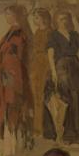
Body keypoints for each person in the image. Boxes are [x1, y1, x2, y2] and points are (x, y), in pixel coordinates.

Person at [0, 4, 33, 156]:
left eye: (9, 14)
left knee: (13, 108)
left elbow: (18, 58)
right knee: (8, 108)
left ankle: (15, 149)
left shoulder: (20, 34)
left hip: (13, 77)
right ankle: (11, 148)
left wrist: (6, 71)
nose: (6, 16)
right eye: (6, 13)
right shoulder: (12, 31)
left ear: (16, 15)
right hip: (7, 75)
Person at [44, 10, 79, 143]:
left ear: (69, 20)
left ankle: (78, 131)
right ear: (56, 21)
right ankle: (65, 133)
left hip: (75, 67)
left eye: (65, 19)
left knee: (78, 97)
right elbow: (50, 54)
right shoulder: (54, 35)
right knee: (66, 98)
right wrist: (54, 72)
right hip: (62, 67)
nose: (63, 22)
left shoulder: (74, 34)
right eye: (60, 19)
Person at [29, 8, 53, 136]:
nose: (34, 20)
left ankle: (41, 128)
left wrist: (49, 69)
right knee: (35, 96)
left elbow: (51, 53)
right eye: (34, 17)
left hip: (45, 65)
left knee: (42, 97)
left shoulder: (50, 32)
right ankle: (37, 127)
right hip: (35, 65)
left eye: (37, 17)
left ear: (44, 18)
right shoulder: (37, 31)